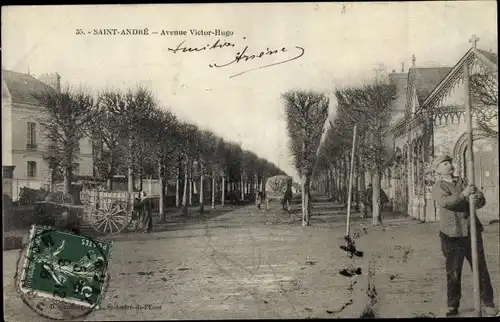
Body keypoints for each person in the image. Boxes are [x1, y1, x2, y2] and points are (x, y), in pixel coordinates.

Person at [431, 154, 497, 317]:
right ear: (438, 170)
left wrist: (476, 199)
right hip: (451, 234)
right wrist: (464, 195)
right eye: (444, 164)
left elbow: (481, 199)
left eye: (449, 163)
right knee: (453, 271)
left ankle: (488, 303)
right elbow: (447, 203)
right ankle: (452, 305)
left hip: (472, 231)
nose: (449, 165)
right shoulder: (438, 186)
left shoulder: (464, 182)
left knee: (481, 269)